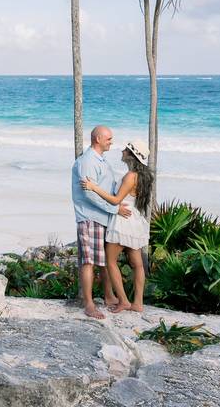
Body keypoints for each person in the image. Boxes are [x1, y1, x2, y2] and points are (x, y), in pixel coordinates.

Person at [81, 140, 153, 313]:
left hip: (123, 221)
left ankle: (123, 301)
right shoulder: (143, 176)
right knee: (137, 265)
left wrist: (93, 187)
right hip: (134, 219)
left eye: (126, 149)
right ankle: (138, 303)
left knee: (110, 261)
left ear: (131, 155)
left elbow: (115, 200)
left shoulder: (130, 176)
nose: (122, 151)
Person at [71, 125, 132, 319]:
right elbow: (89, 195)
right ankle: (89, 304)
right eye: (108, 139)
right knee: (88, 261)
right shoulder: (87, 161)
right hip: (90, 217)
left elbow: (109, 189)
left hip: (104, 217)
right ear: (97, 139)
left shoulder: (102, 161)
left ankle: (108, 296)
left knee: (104, 261)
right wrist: (115, 209)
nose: (111, 142)